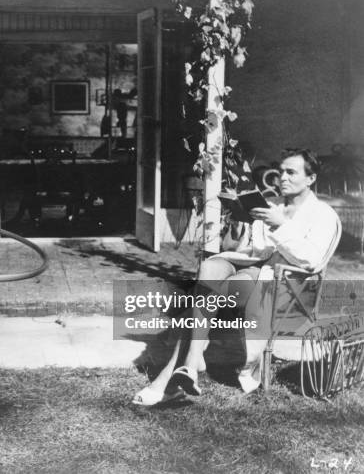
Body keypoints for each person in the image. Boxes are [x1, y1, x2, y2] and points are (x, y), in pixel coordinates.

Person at [132, 149, 341, 406]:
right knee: (210, 268)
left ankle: (174, 374)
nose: (283, 178)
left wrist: (279, 225)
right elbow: (258, 252)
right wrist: (242, 225)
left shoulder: (323, 215)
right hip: (256, 273)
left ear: (310, 179)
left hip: (287, 288)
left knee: (203, 298)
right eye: (281, 172)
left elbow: (311, 260)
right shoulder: (272, 205)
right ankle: (188, 366)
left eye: (291, 172)